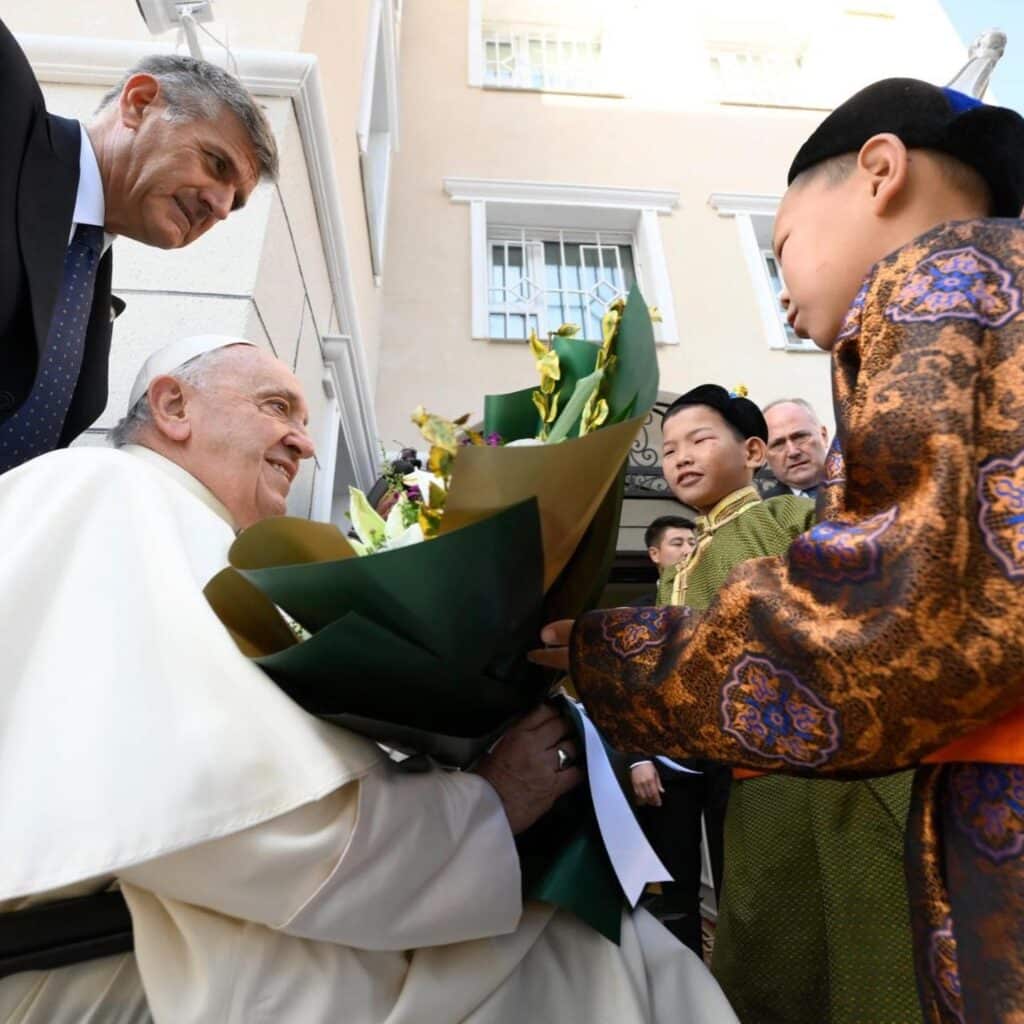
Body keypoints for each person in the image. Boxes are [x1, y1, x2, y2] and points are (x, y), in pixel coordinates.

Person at [0, 335, 738, 1024]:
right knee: (597, 960)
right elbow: (254, 831)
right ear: (172, 407)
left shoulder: (173, 524)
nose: (305, 439)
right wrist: (488, 803)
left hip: (196, 914)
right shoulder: (115, 492)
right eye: (275, 407)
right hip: (120, 946)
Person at [538, 77, 1024, 1024]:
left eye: (783, 249)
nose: (787, 298)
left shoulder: (954, 289)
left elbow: (890, 624)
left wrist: (609, 655)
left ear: (880, 172)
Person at [622, 384, 920, 1024]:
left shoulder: (782, 521)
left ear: (753, 451)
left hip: (819, 774)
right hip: (750, 782)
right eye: (670, 448)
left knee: (856, 913)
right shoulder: (676, 569)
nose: (681, 457)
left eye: (701, 440)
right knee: (764, 928)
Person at [0, 17, 275, 472]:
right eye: (215, 163)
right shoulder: (9, 105)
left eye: (237, 202)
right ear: (140, 103)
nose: (221, 206)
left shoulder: (87, 284)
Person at [630, 513, 703, 954]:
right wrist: (639, 757)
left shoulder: (716, 602)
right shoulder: (636, 615)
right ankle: (688, 972)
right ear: (656, 555)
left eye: (694, 541)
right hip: (666, 769)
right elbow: (629, 695)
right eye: (678, 543)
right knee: (677, 879)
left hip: (726, 764)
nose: (688, 549)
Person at [763, 398, 830, 498]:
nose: (793, 452)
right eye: (778, 444)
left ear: (823, 436)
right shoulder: (761, 511)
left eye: (800, 437)